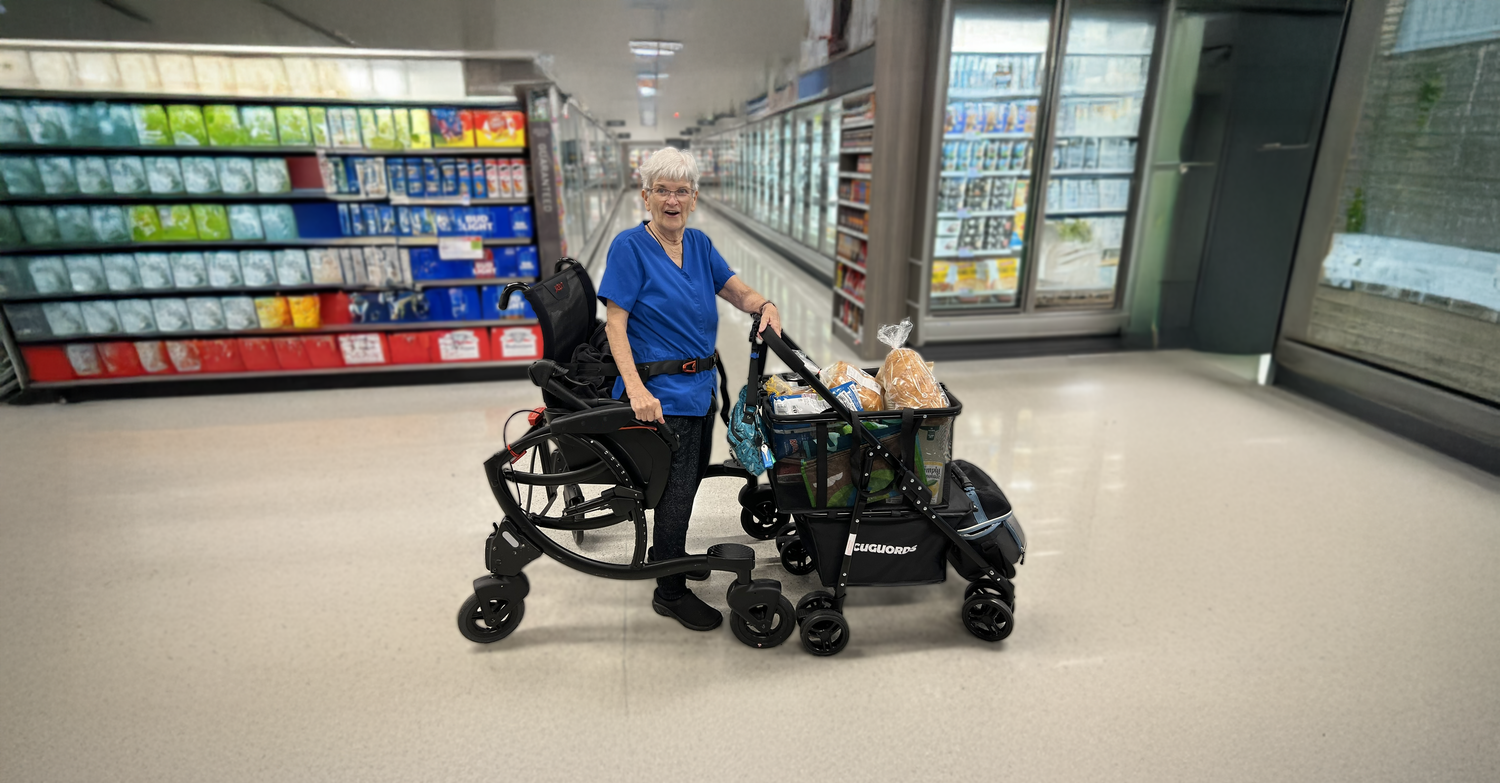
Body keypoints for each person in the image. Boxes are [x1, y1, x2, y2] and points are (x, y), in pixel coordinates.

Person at [596, 147, 781, 632]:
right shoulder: (629, 248)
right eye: (662, 190)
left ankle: (669, 553)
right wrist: (635, 388)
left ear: (694, 198)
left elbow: (736, 290)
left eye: (681, 191)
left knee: (692, 477)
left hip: (699, 387)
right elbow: (616, 323)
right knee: (676, 493)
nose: (671, 200)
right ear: (645, 196)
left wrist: (764, 304)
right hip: (661, 393)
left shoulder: (697, 244)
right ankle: (670, 590)